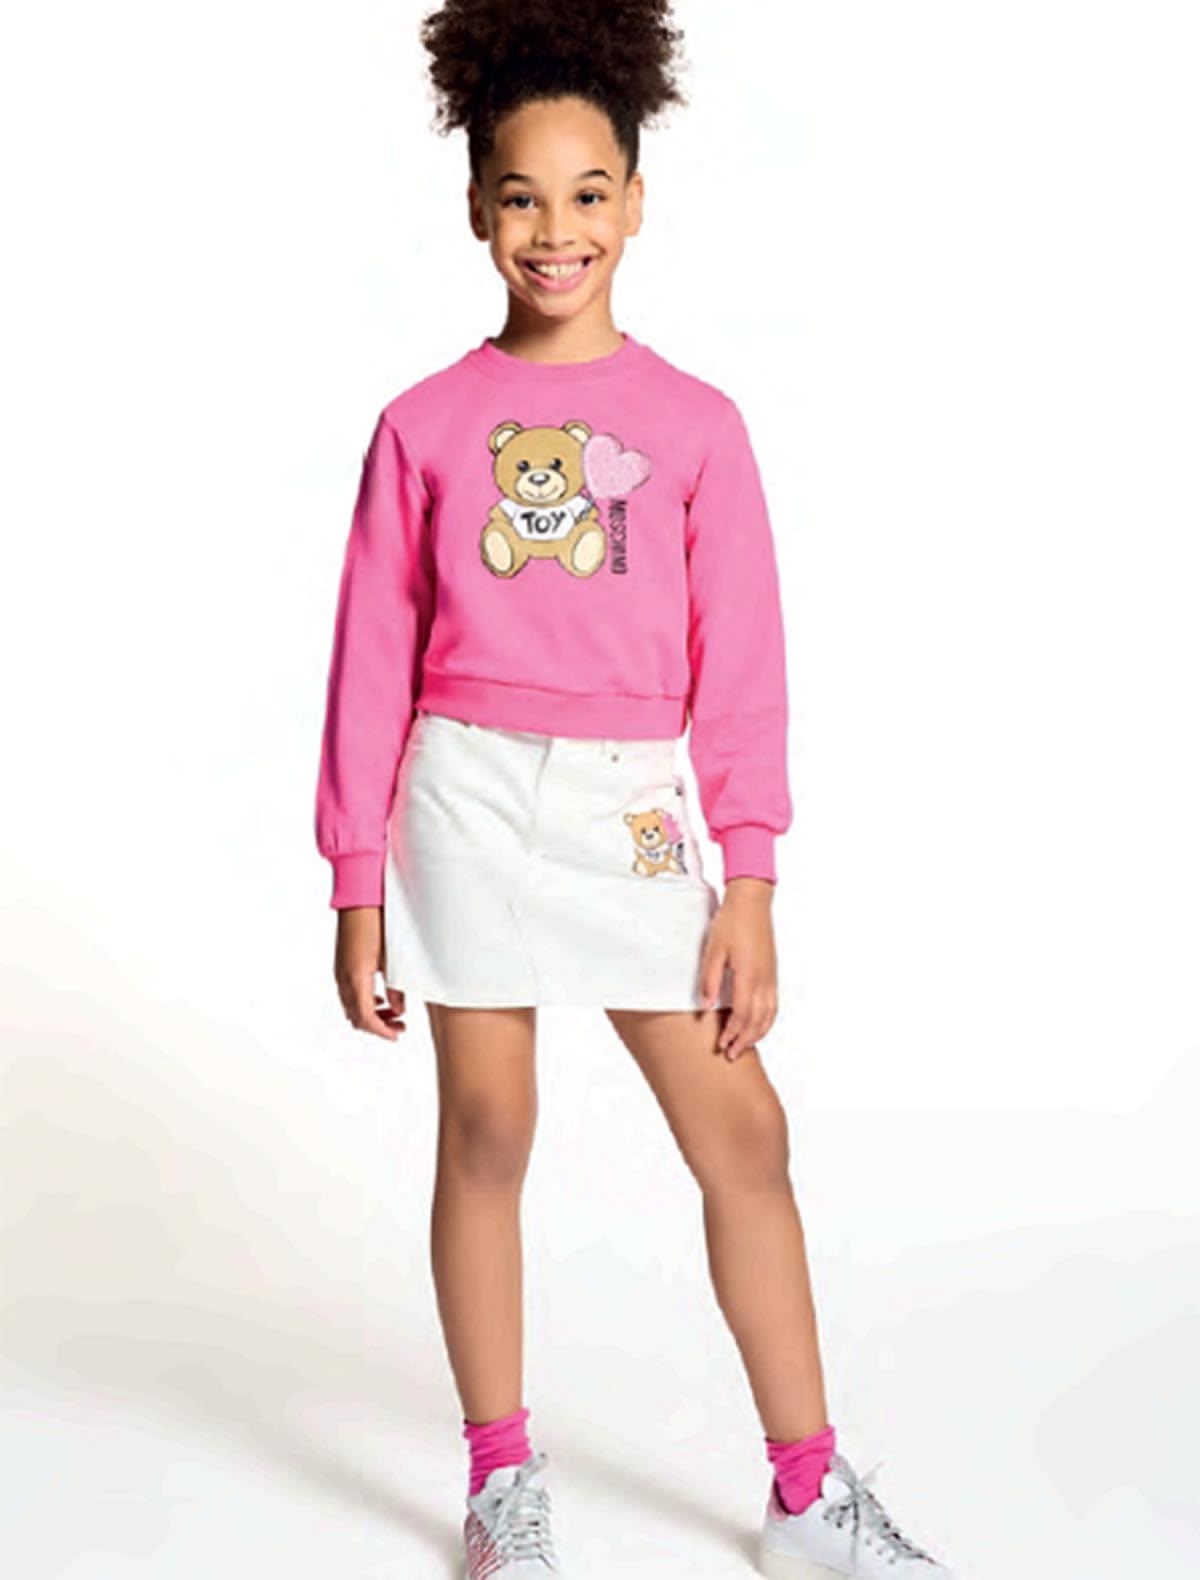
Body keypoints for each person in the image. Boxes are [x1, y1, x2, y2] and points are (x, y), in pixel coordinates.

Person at [313, 3, 961, 1576]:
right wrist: (354, 885)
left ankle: (806, 1496)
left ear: (638, 202)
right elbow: (368, 664)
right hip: (462, 799)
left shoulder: (695, 428)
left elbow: (742, 666)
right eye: (523, 196)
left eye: (589, 192)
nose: (558, 229)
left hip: (635, 812)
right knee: (488, 1126)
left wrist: (750, 877)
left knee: (742, 1132)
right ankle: (501, 1485)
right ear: (477, 210)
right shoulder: (421, 427)